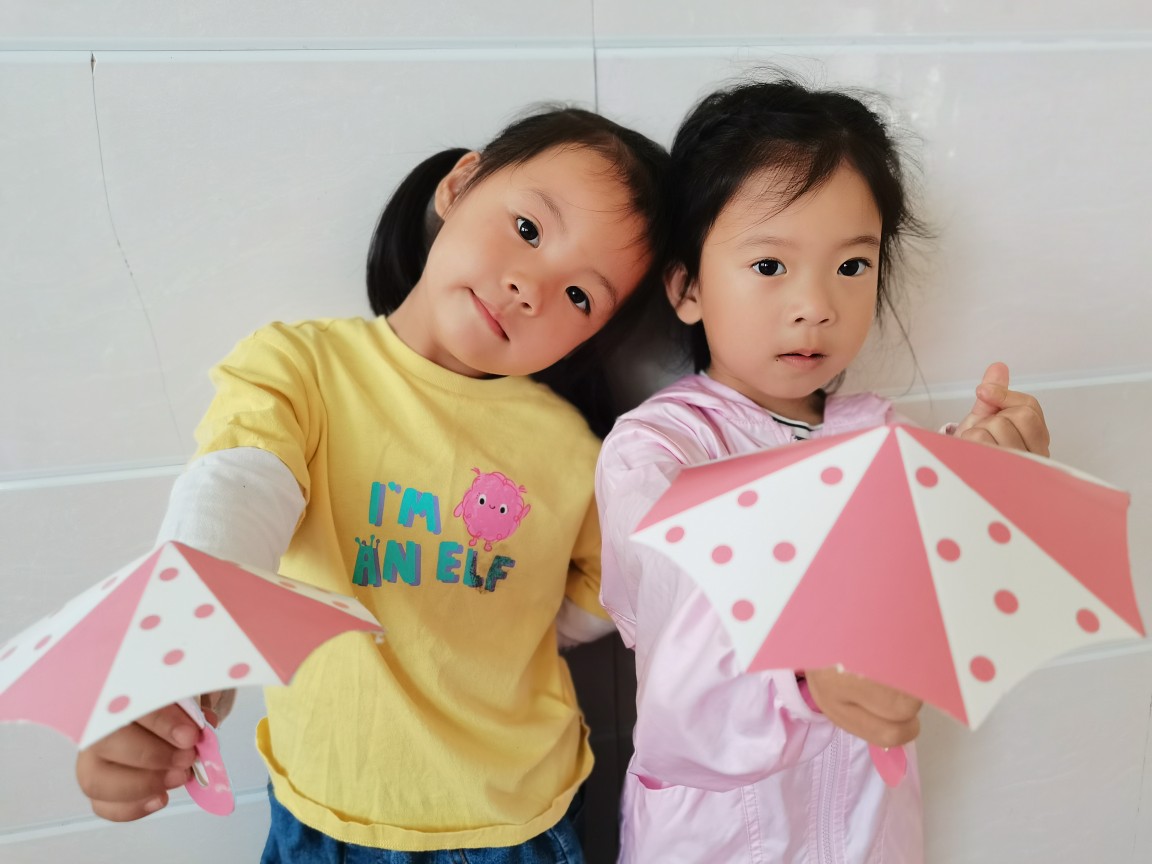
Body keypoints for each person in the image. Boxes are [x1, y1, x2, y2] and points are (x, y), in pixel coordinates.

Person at [74, 105, 669, 863]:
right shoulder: (304, 368)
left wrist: (521, 627)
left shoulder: (572, 448)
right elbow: (237, 494)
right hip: (324, 807)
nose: (530, 288)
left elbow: (613, 583)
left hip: (515, 820)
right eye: (528, 229)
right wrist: (175, 658)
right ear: (461, 183)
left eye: (581, 296)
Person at [595, 77, 1050, 863]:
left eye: (852, 266)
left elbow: (956, 608)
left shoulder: (881, 436)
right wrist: (800, 678)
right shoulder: (657, 451)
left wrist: (988, 477)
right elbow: (683, 639)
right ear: (688, 286)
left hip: (872, 835)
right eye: (771, 264)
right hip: (717, 844)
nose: (816, 304)